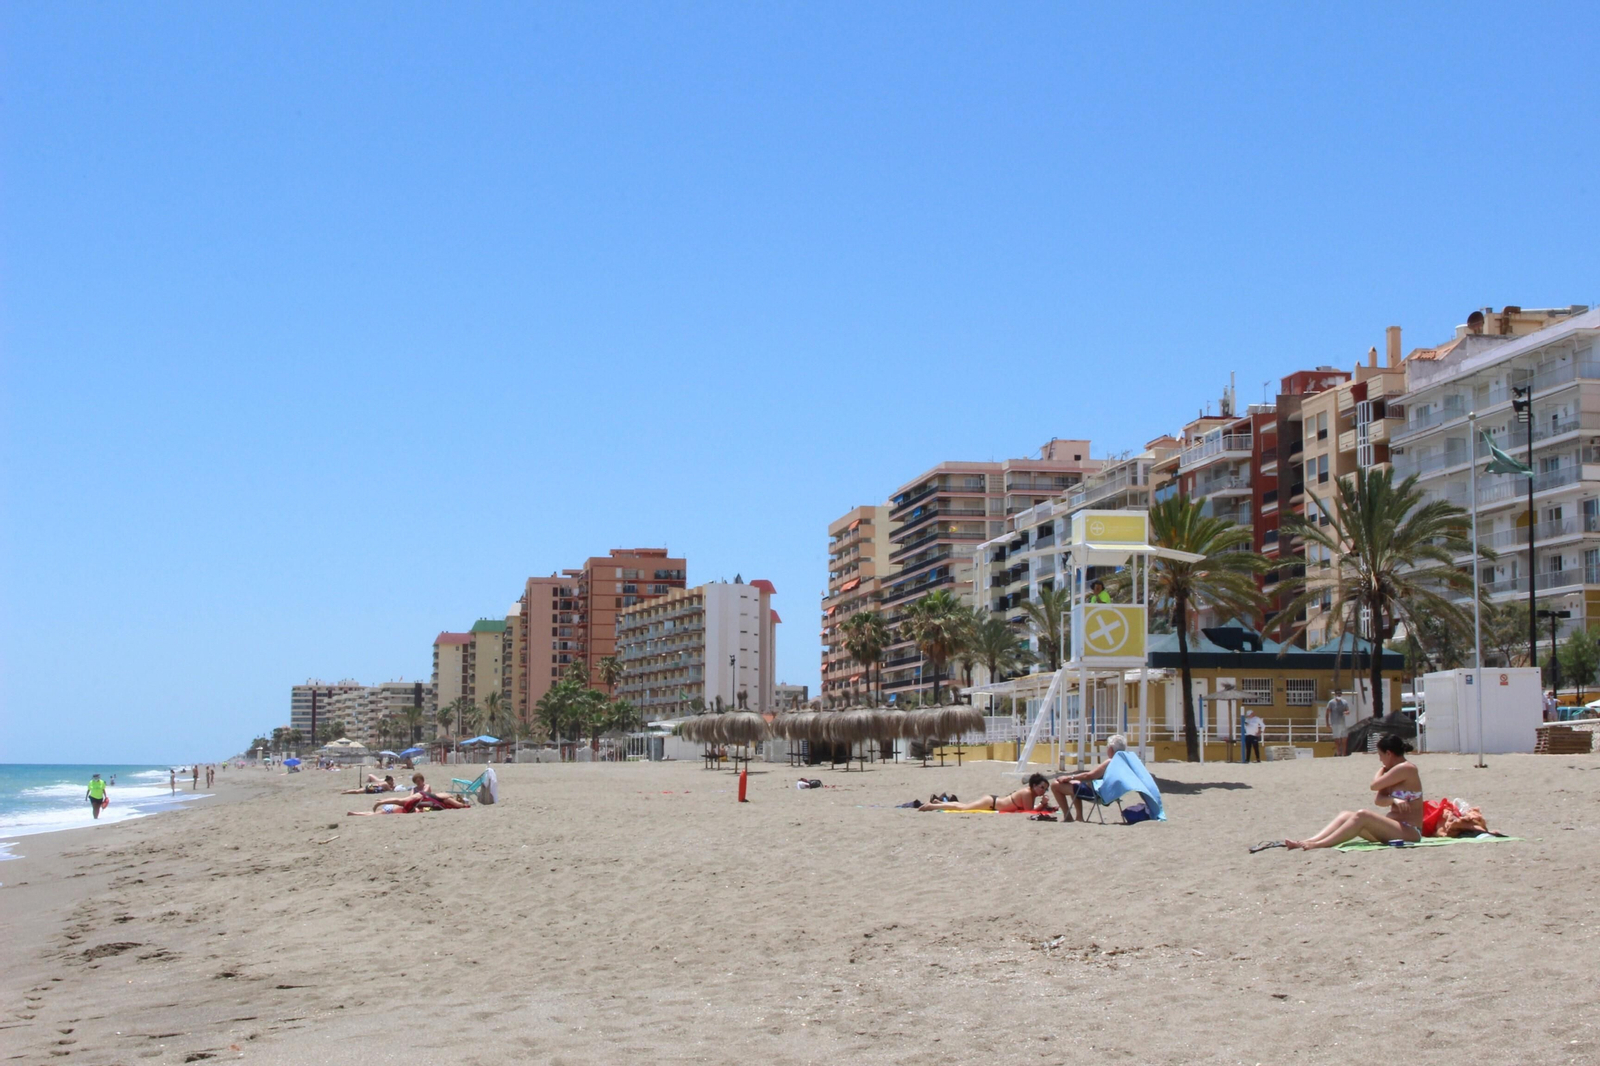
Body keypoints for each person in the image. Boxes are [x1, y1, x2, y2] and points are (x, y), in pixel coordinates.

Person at [1269, 735, 1423, 851]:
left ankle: (1318, 845)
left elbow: (1374, 785)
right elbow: (1379, 800)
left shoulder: (1407, 768)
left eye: (1381, 755)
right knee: (1345, 815)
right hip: (1392, 829)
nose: (1380, 760)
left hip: (1409, 831)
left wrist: (1382, 771)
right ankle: (1307, 840)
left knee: (1363, 814)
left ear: (1389, 754)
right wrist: (1393, 800)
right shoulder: (1390, 771)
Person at [1050, 734, 1129, 822]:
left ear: (1110, 749)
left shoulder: (1111, 762)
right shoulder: (1123, 762)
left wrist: (1070, 777)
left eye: (1107, 747)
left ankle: (1068, 816)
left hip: (1098, 795)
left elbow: (1089, 776)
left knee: (1055, 785)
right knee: (1076, 783)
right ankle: (1079, 817)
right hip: (1112, 795)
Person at [917, 774, 1051, 813]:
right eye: (1041, 787)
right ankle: (931, 806)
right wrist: (1042, 804)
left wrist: (1043, 805)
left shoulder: (1030, 794)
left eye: (1045, 789)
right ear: (1034, 786)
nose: (1043, 790)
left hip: (993, 802)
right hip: (991, 803)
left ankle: (939, 802)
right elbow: (1029, 811)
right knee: (963, 808)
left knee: (964, 805)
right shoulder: (1027, 793)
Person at [347, 791, 469, 816]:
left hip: (423, 797)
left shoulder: (445, 794)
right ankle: (382, 801)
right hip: (422, 798)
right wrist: (465, 806)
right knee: (401, 801)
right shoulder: (449, 798)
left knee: (401, 800)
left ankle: (382, 802)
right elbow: (459, 806)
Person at [1325, 692, 1350, 757]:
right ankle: (1339, 753)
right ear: (1335, 695)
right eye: (1338, 695)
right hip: (1335, 723)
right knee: (1337, 739)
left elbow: (1348, 711)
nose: (1339, 696)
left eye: (1340, 695)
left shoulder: (1344, 702)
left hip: (1342, 723)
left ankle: (1344, 753)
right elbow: (1327, 713)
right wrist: (1327, 723)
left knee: (1344, 738)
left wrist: (1346, 712)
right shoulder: (1331, 703)